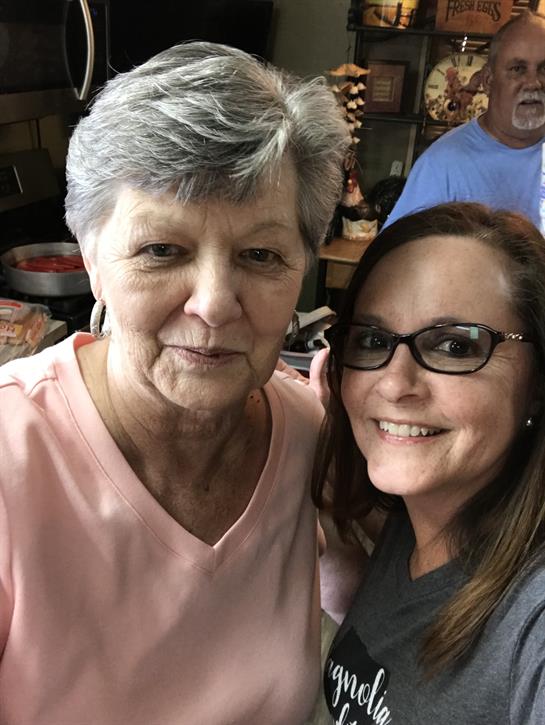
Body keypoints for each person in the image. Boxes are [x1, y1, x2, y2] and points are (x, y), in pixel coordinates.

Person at [0, 42, 351, 724]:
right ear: (92, 259)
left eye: (260, 254)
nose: (214, 304)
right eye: (162, 250)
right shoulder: (13, 459)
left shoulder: (309, 437)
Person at [313, 202, 545, 722]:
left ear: (537, 384)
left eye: (455, 347)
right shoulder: (416, 520)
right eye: (372, 340)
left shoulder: (532, 617)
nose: (395, 385)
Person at [385, 11, 545, 229]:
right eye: (517, 69)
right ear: (488, 80)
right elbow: (398, 247)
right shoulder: (442, 164)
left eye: (544, 69)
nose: (534, 83)